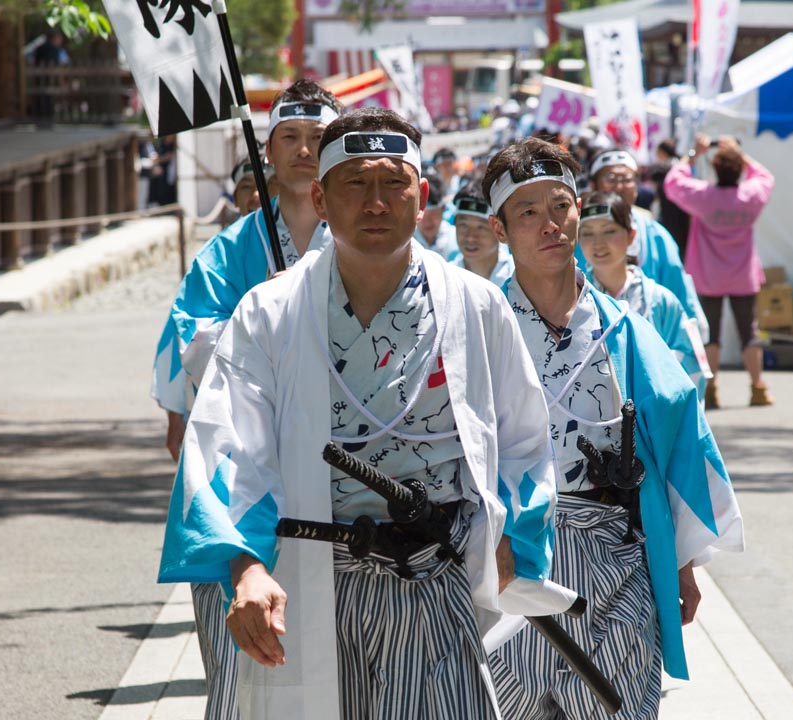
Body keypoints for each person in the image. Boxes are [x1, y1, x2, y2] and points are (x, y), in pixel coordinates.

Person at [158, 108, 560, 719]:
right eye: (355, 183)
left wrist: (514, 537)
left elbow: (526, 437)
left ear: (422, 196)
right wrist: (243, 566)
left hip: (432, 576)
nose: (376, 202)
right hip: (302, 575)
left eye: (394, 183)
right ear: (320, 198)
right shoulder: (267, 312)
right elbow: (226, 447)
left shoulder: (477, 307)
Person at [482, 138, 744, 719]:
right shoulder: (477, 329)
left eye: (561, 206)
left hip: (616, 555)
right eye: (527, 212)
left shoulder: (622, 328)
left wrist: (679, 562)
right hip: (504, 561)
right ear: (500, 229)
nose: (550, 225)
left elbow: (677, 441)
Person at [150, 78, 344, 720]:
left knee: (349, 681)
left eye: (319, 138)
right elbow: (187, 341)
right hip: (245, 469)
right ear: (268, 149)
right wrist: (265, 312)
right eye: (289, 137)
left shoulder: (367, 244)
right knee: (243, 684)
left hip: (343, 479)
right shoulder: (231, 249)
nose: (304, 150)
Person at [664, 134, 775, 409]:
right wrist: (739, 154)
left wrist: (694, 153)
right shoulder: (750, 195)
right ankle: (758, 387)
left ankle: (711, 388)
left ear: (715, 168)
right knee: (749, 331)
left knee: (711, 334)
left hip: (709, 274)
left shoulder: (704, 196)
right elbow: (765, 177)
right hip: (742, 274)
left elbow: (672, 182)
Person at [578, 191, 712, 401]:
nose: (598, 243)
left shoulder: (660, 300)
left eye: (609, 231)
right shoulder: (573, 301)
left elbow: (691, 368)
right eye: (587, 233)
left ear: (631, 235)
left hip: (654, 422)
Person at [580, 148, 709, 344]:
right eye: (611, 179)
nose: (620, 186)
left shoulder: (657, 234)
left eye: (627, 179)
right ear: (593, 185)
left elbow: (677, 288)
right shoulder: (576, 231)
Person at [450, 179, 514, 286]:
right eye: (463, 225)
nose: (470, 237)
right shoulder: (443, 279)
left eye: (481, 227)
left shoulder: (516, 276)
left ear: (499, 230)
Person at [650, 138, 691, 256]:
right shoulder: (680, 165)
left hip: (672, 214)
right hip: (679, 216)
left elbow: (654, 173)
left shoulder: (673, 166)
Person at [414, 169, 460, 260]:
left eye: (432, 214)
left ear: (443, 208)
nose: (427, 221)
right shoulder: (404, 241)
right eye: (422, 215)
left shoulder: (456, 239)